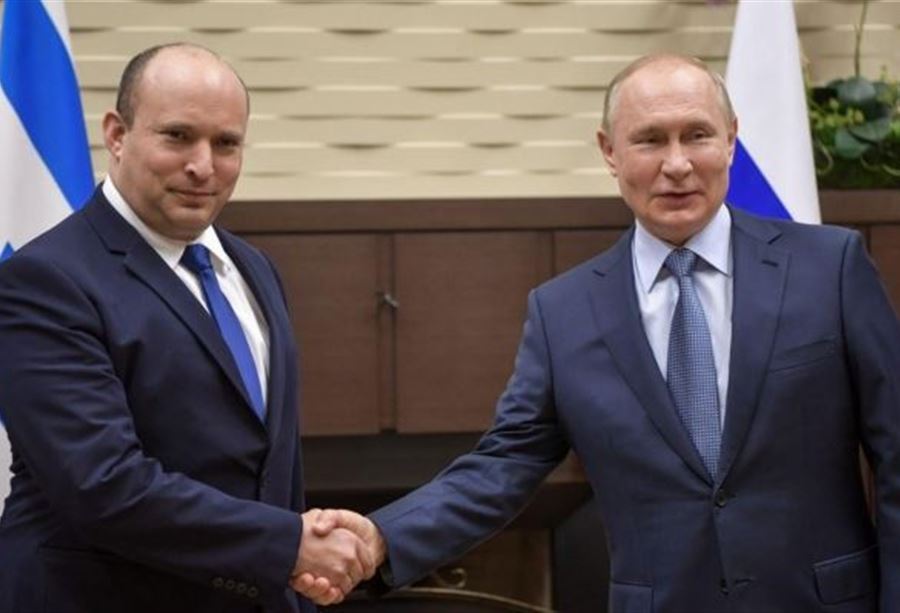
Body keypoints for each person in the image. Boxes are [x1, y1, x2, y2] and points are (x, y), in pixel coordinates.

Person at [299, 53, 900, 612]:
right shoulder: (564, 312)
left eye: (697, 134)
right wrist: (381, 537)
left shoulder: (830, 268)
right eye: (650, 140)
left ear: (731, 139)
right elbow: (501, 467)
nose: (677, 164)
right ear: (609, 151)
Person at [0, 43, 374, 613]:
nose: (204, 166)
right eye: (177, 136)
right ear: (116, 135)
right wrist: (288, 546)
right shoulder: (44, 281)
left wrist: (293, 569)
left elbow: (270, 468)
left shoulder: (253, 269)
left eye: (226, 143)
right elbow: (102, 485)